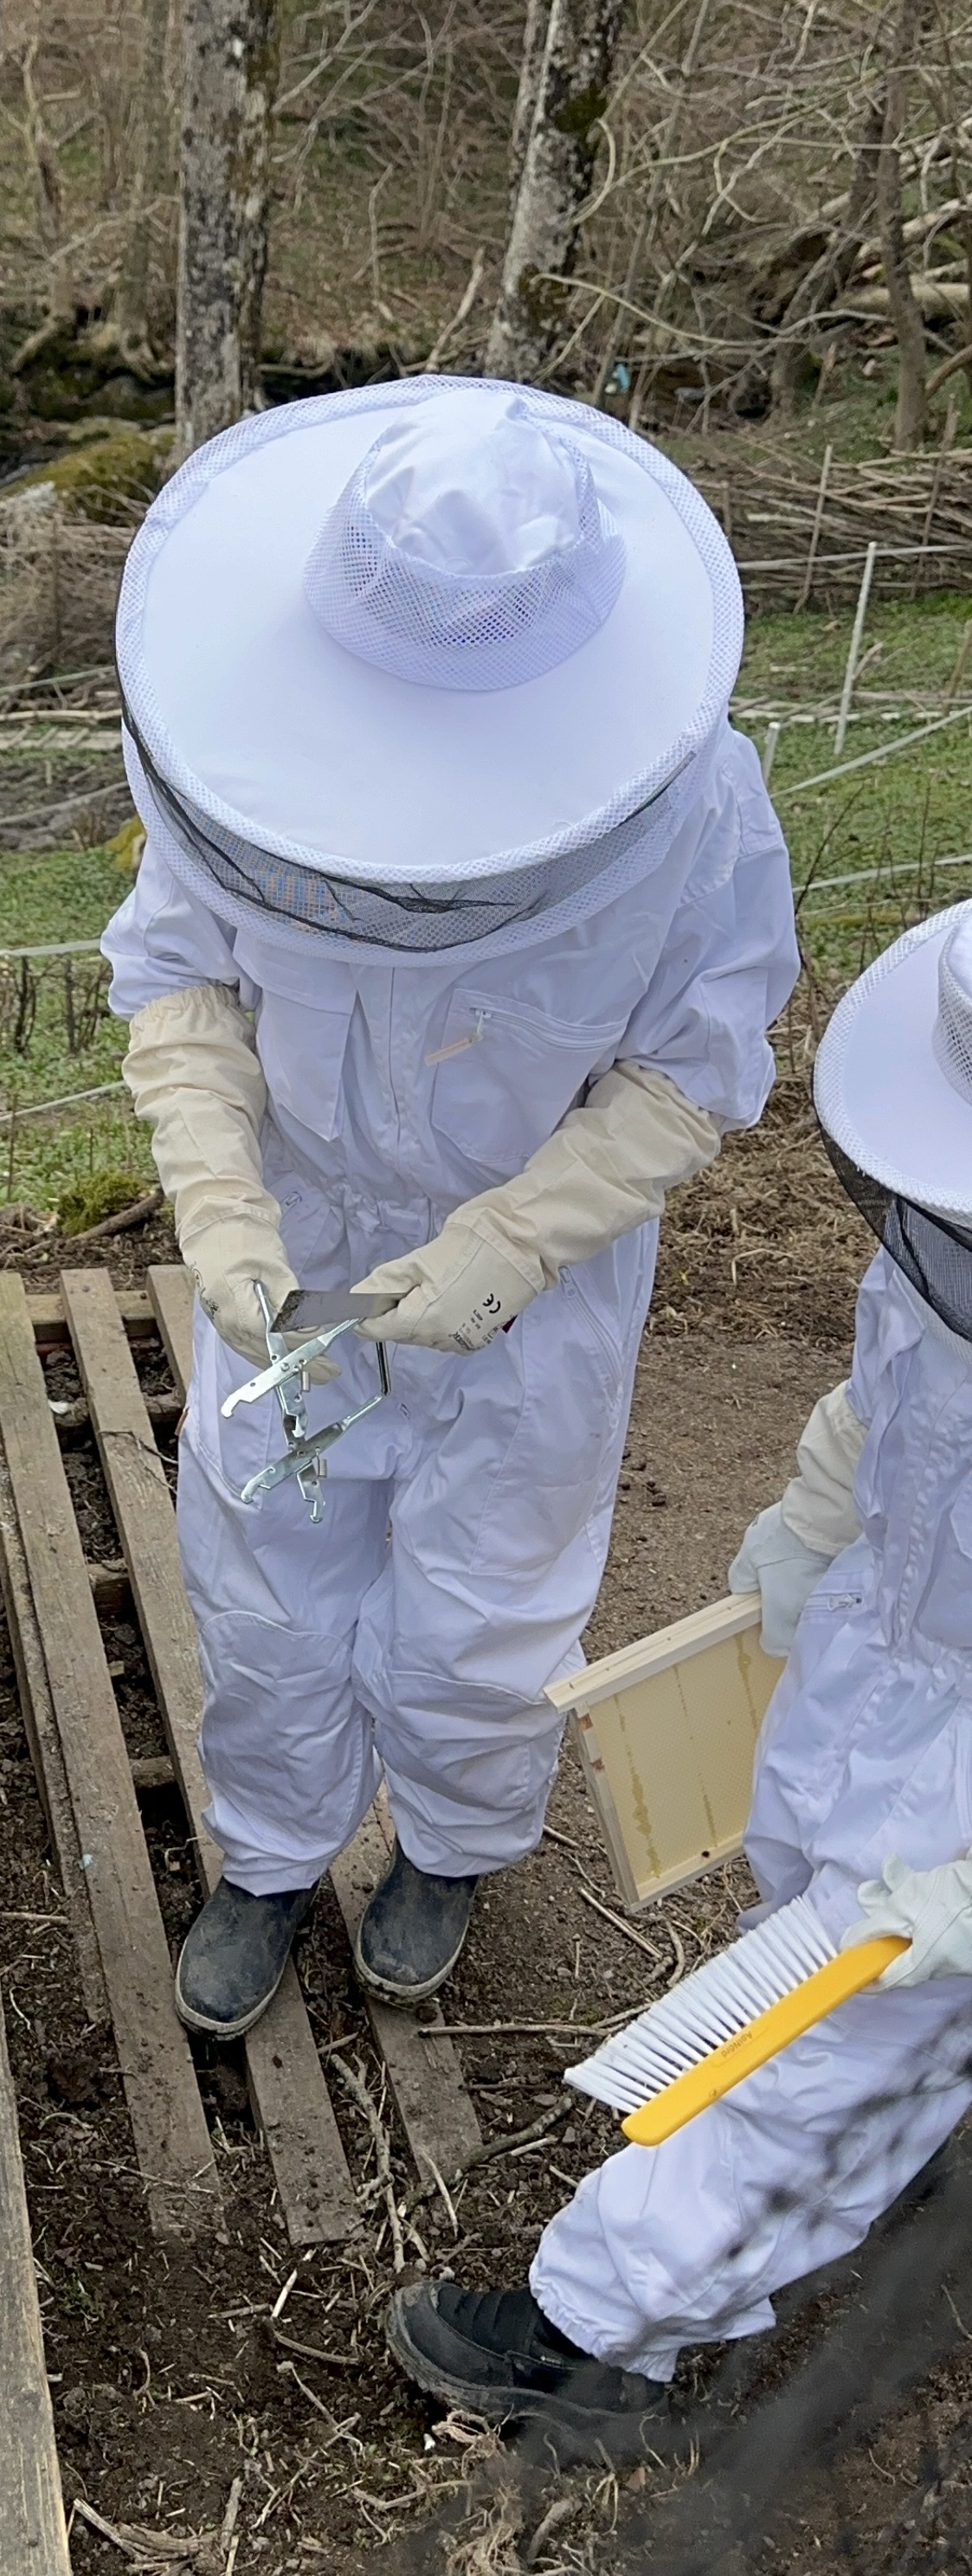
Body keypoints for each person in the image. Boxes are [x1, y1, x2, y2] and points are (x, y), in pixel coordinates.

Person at [102, 377, 799, 2038]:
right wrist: (220, 1207)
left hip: (533, 1270)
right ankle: (269, 1858)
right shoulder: (244, 765)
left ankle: (454, 1844)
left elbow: (692, 1072)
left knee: (488, 1596)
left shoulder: (694, 813)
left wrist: (507, 1243)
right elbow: (183, 987)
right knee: (266, 1575)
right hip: (300, 1235)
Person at [389, 901, 972, 2460]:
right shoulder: (943, 1237)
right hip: (889, 1652)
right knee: (808, 1914)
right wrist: (809, 1528)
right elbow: (891, 1386)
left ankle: (595, 2343)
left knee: (826, 2042)